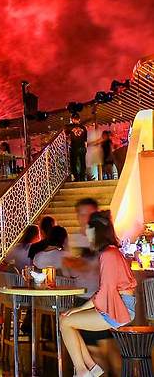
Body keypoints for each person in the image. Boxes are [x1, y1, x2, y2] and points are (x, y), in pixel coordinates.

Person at [61, 212, 136, 377]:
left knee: (65, 322)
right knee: (66, 320)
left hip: (119, 308)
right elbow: (105, 290)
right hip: (118, 304)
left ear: (97, 231)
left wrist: (80, 309)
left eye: (89, 229)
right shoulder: (111, 252)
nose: (86, 233)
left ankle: (83, 370)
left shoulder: (108, 255)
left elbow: (105, 290)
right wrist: (79, 309)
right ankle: (90, 368)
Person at [66, 113, 88, 182]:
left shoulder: (69, 127)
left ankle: (76, 177)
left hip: (74, 147)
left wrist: (68, 143)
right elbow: (85, 140)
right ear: (79, 119)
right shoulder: (83, 127)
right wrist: (85, 148)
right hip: (82, 147)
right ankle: (82, 177)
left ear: (72, 119)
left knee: (73, 163)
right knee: (82, 162)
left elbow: (67, 137)